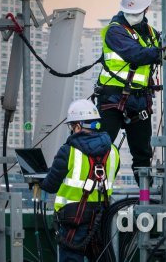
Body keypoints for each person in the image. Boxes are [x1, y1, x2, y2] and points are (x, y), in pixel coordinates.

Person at [95, 0, 161, 184]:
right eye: (129, 12)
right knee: (101, 150)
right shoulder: (114, 31)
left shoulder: (152, 34)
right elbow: (136, 54)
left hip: (140, 100)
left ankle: (145, 198)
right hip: (113, 97)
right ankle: (97, 195)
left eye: (137, 12)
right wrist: (162, 51)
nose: (133, 15)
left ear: (146, 10)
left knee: (142, 156)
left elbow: (163, 54)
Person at [40, 99, 120, 262]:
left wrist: (38, 181)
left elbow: (50, 185)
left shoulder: (68, 151)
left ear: (77, 126)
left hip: (73, 219)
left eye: (71, 127)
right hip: (102, 216)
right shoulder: (113, 151)